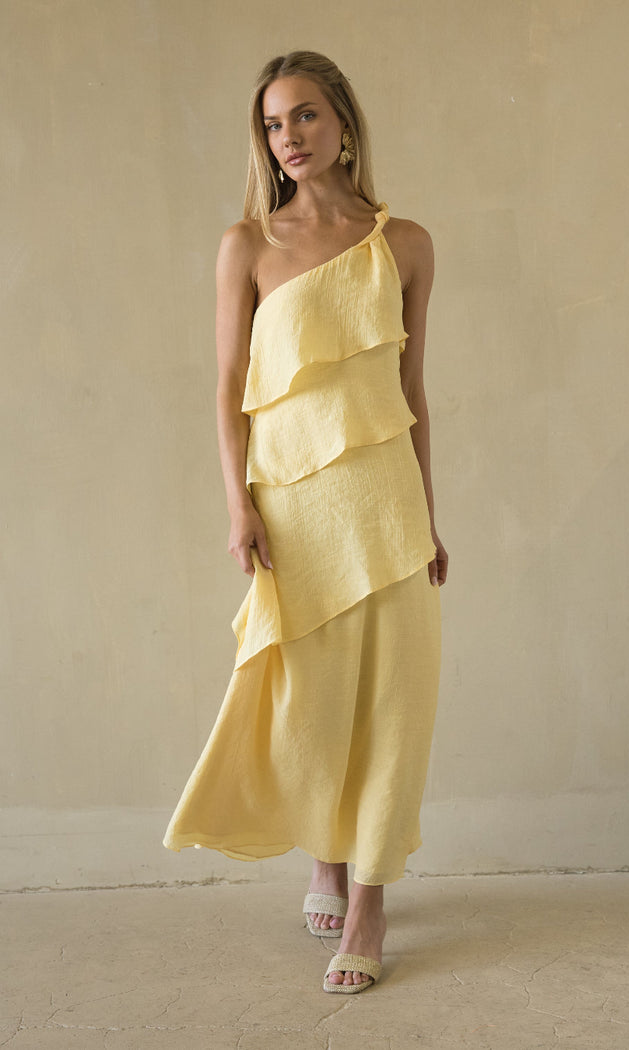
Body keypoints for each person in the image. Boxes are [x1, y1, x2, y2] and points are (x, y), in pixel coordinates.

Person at [163, 49, 449, 995]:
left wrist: (431, 517)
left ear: (345, 125)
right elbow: (225, 390)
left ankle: (366, 899)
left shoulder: (405, 242)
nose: (289, 139)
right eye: (275, 124)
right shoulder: (247, 245)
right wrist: (238, 504)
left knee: (398, 701)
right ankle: (322, 857)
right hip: (295, 506)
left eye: (306, 118)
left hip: (386, 501)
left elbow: (411, 392)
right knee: (313, 706)